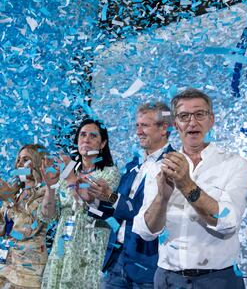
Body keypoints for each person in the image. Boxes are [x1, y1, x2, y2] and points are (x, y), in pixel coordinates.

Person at [132, 88, 247, 289]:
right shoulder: (159, 167)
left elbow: (227, 221)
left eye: (199, 114)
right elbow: (146, 231)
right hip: (168, 279)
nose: (192, 122)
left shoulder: (235, 164)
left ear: (211, 120)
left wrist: (186, 184)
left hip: (218, 280)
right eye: (184, 116)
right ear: (175, 125)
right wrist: (162, 197)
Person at [90, 102, 174, 289]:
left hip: (146, 266)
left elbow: (148, 215)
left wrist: (111, 197)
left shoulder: (173, 165)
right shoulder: (133, 164)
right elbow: (116, 211)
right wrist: (92, 200)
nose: (138, 131)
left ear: (164, 128)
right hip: (116, 260)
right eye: (137, 125)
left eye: (145, 125)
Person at [40, 118, 120, 289]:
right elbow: (48, 216)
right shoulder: (68, 172)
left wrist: (69, 176)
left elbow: (88, 200)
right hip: (63, 247)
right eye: (82, 135)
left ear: (103, 143)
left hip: (89, 250)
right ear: (77, 141)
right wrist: (50, 186)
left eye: (93, 136)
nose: (86, 139)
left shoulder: (109, 173)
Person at [0, 144, 48, 289]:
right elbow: (3, 229)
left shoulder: (44, 193)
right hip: (5, 266)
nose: (19, 163)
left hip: (28, 273)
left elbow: (26, 230)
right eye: (18, 159)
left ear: (37, 163)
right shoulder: (14, 191)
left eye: (25, 159)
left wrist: (8, 199)